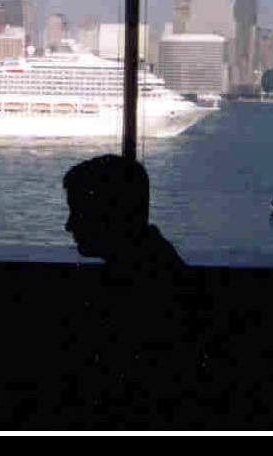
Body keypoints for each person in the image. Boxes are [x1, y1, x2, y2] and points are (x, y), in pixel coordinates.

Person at [53, 154, 208, 428]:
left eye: (77, 212)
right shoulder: (156, 269)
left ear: (109, 216)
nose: (68, 226)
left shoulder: (137, 291)